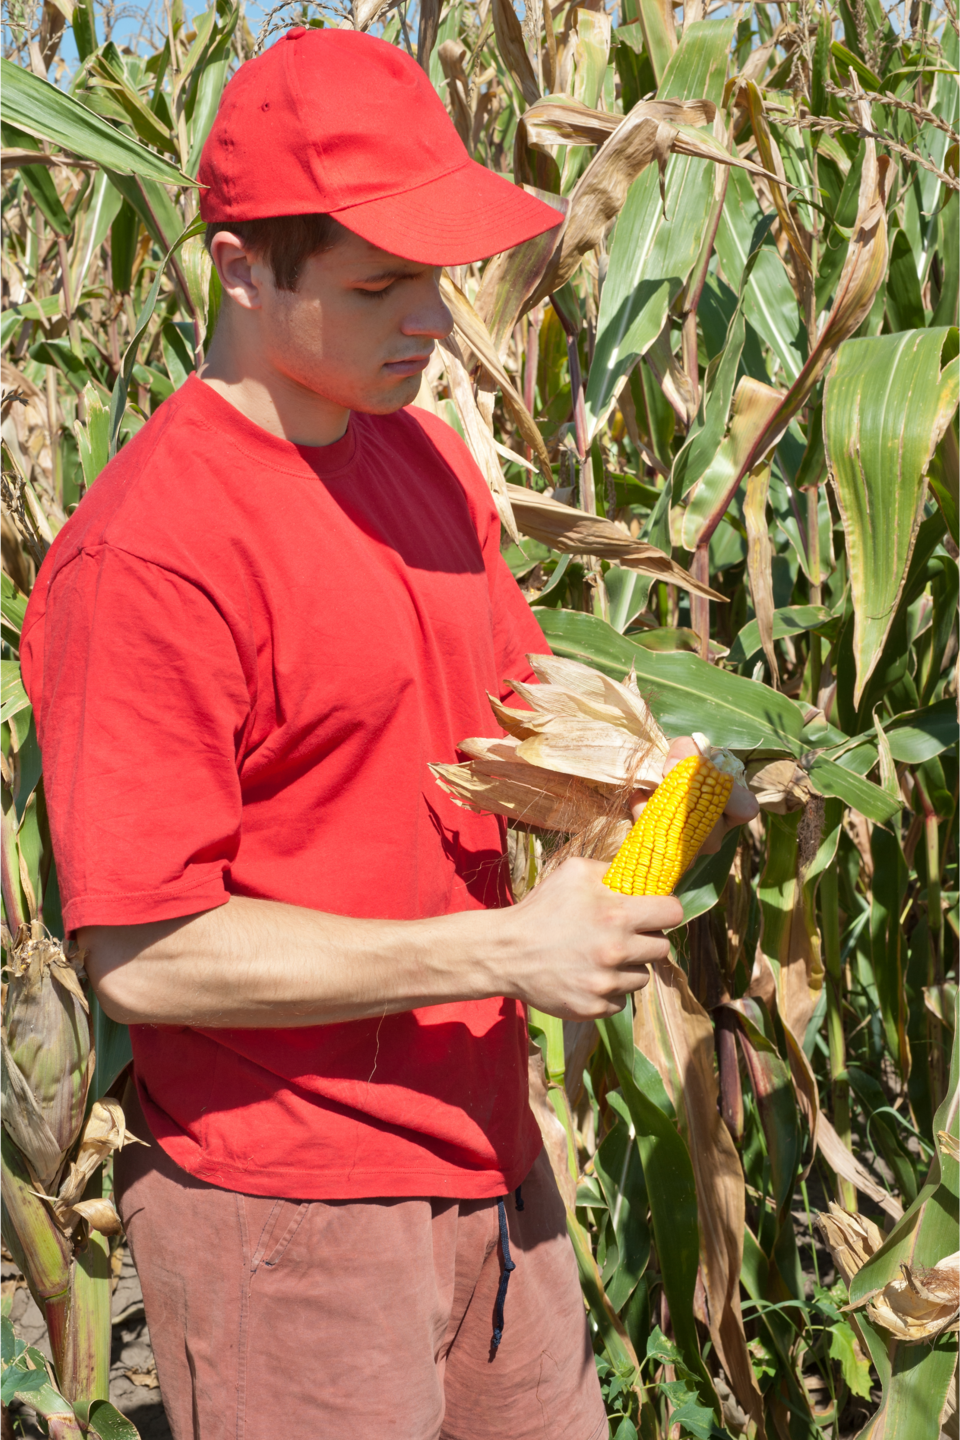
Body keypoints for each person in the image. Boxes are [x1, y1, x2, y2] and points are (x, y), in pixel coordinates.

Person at [21, 28, 757, 1440]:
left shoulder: (415, 454)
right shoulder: (154, 555)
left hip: (495, 1185)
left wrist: (659, 788)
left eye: (435, 275)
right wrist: (502, 951)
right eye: (379, 285)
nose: (433, 321)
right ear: (240, 267)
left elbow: (518, 732)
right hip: (287, 1225)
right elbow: (146, 957)